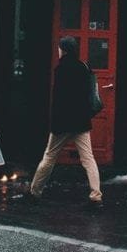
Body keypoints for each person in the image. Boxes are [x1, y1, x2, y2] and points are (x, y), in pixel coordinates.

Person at [28, 35, 103, 207]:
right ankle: (96, 196)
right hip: (81, 121)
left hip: (62, 123)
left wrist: (54, 123)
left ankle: (35, 191)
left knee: (49, 156)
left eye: (60, 48)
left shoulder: (60, 69)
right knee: (88, 159)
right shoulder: (83, 67)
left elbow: (59, 100)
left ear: (63, 49)